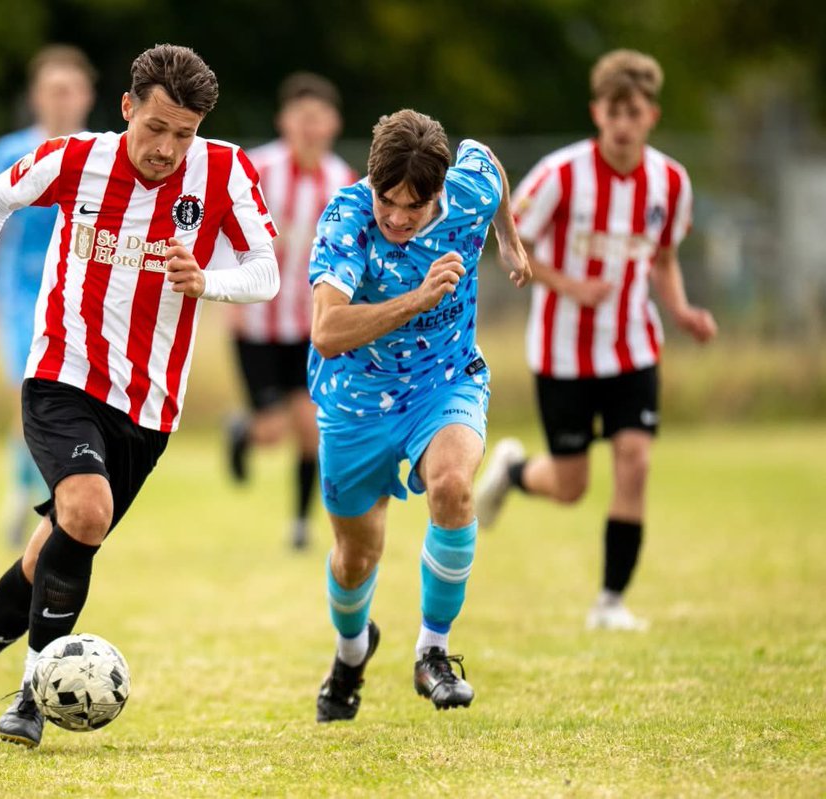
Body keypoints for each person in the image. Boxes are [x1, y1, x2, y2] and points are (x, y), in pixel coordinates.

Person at [0, 44, 279, 749]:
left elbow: (265, 268)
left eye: (185, 133)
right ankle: (33, 688)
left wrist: (210, 279)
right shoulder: (77, 158)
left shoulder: (226, 171)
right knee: (86, 508)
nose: (169, 149)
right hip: (62, 374)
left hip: (149, 407)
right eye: (156, 129)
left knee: (57, 541)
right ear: (126, 109)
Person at [475, 49, 717, 631]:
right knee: (570, 486)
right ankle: (511, 474)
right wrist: (566, 285)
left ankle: (610, 602)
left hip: (634, 348)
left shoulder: (671, 181)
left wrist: (681, 310)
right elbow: (508, 240)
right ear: (596, 113)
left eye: (633, 111)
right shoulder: (560, 176)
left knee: (635, 460)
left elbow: (663, 258)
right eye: (613, 111)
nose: (623, 123)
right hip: (563, 354)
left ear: (651, 116)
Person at [308, 110, 531, 721]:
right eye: (388, 201)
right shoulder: (347, 218)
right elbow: (327, 331)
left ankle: (433, 651)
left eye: (416, 205)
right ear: (371, 182)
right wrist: (418, 299)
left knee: (455, 486)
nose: (399, 218)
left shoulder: (469, 192)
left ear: (441, 192)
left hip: (446, 382)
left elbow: (488, 159)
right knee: (356, 556)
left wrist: (506, 236)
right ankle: (350, 655)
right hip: (355, 398)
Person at [0, 45, 96, 548]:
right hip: (21, 295)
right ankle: (33, 497)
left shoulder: (101, 152)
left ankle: (45, 495)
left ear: (87, 95)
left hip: (79, 297)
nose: (62, 99)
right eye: (52, 90)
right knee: (31, 393)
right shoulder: (8, 154)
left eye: (71, 89)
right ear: (36, 97)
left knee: (71, 400)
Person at [224, 72, 356, 550]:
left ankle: (299, 525)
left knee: (311, 430)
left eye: (318, 119)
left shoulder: (344, 181)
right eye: (301, 118)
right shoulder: (258, 170)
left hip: (308, 326)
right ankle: (244, 430)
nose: (310, 128)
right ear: (284, 122)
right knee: (272, 431)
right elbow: (222, 229)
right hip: (256, 321)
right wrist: (228, 297)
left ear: (333, 124)